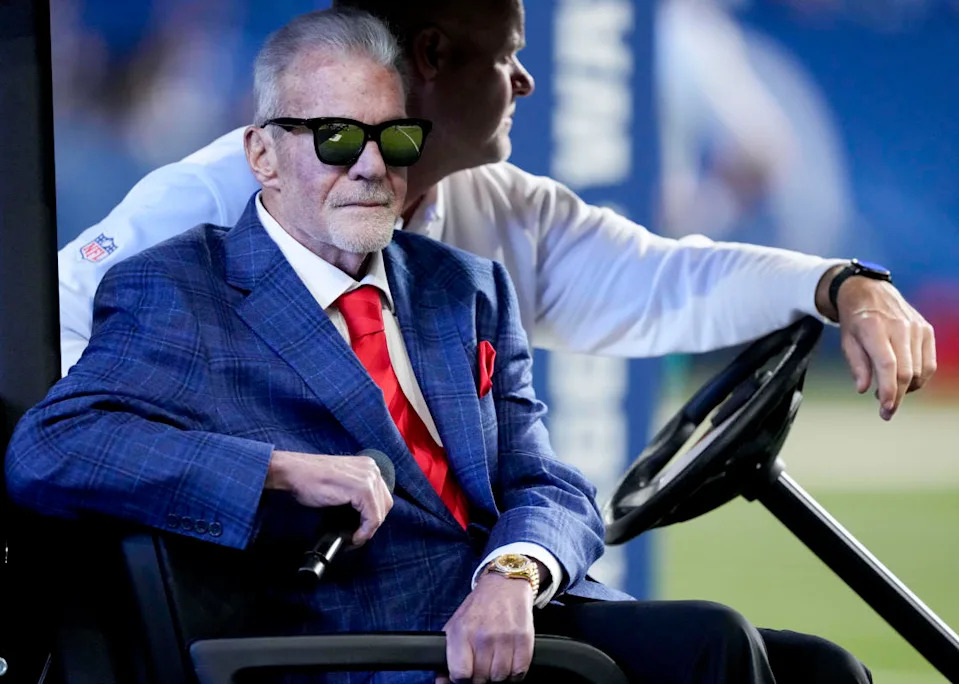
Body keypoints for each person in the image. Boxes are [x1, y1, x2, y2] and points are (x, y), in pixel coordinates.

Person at [10, 9, 870, 684]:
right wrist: (275, 468)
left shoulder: (463, 287)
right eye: (336, 140)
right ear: (262, 156)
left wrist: (516, 570)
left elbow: (548, 483)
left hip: (518, 617)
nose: (370, 166)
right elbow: (51, 444)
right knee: (709, 639)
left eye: (395, 140)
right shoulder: (179, 281)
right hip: (365, 646)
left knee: (821, 666)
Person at [57, 0, 935, 425]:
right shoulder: (207, 200)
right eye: (508, 55)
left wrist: (838, 284)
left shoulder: (495, 208)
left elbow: (663, 278)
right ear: (433, 56)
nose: (524, 81)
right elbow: (54, 350)